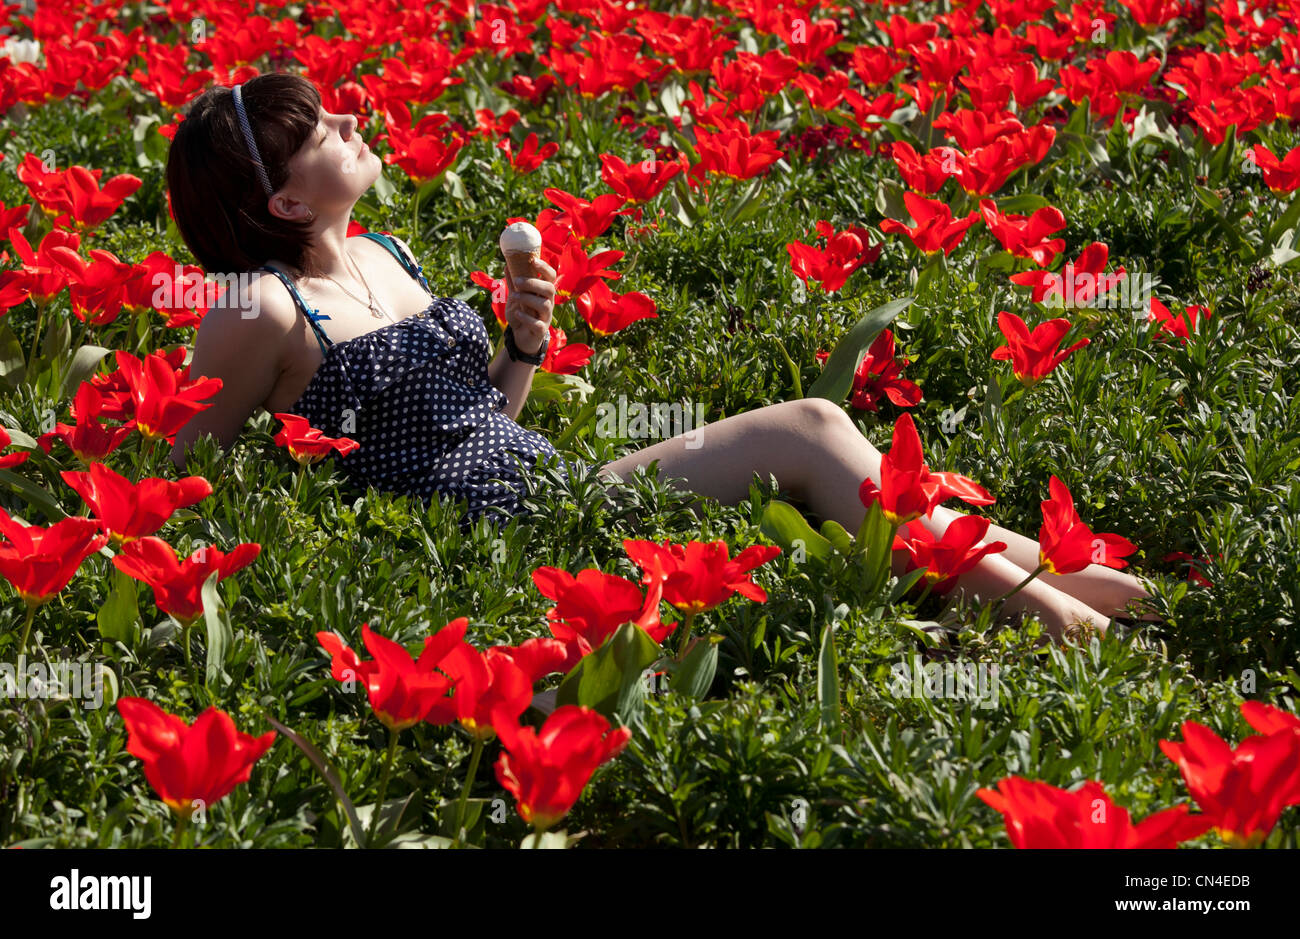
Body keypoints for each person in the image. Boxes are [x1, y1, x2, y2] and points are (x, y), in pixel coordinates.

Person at [165, 73, 1156, 641]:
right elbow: (183, 476)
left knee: (817, 443)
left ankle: (1091, 602)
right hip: (511, 547)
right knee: (810, 429)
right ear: (286, 203)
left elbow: (483, 423)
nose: (347, 116)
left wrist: (521, 341)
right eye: (315, 128)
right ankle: (1080, 621)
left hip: (548, 485)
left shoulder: (388, 252)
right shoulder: (258, 307)